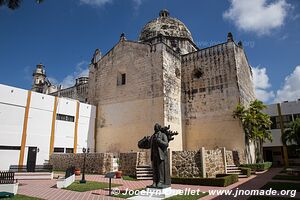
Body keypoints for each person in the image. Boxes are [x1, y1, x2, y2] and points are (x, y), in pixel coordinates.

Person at [138, 123, 170, 188]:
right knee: (155, 170)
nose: (155, 128)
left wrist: (159, 141)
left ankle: (160, 182)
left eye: (156, 127)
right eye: (154, 127)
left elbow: (166, 144)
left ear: (159, 128)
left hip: (160, 156)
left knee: (160, 170)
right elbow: (146, 145)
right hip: (154, 155)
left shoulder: (163, 135)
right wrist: (144, 140)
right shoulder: (152, 137)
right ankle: (155, 182)